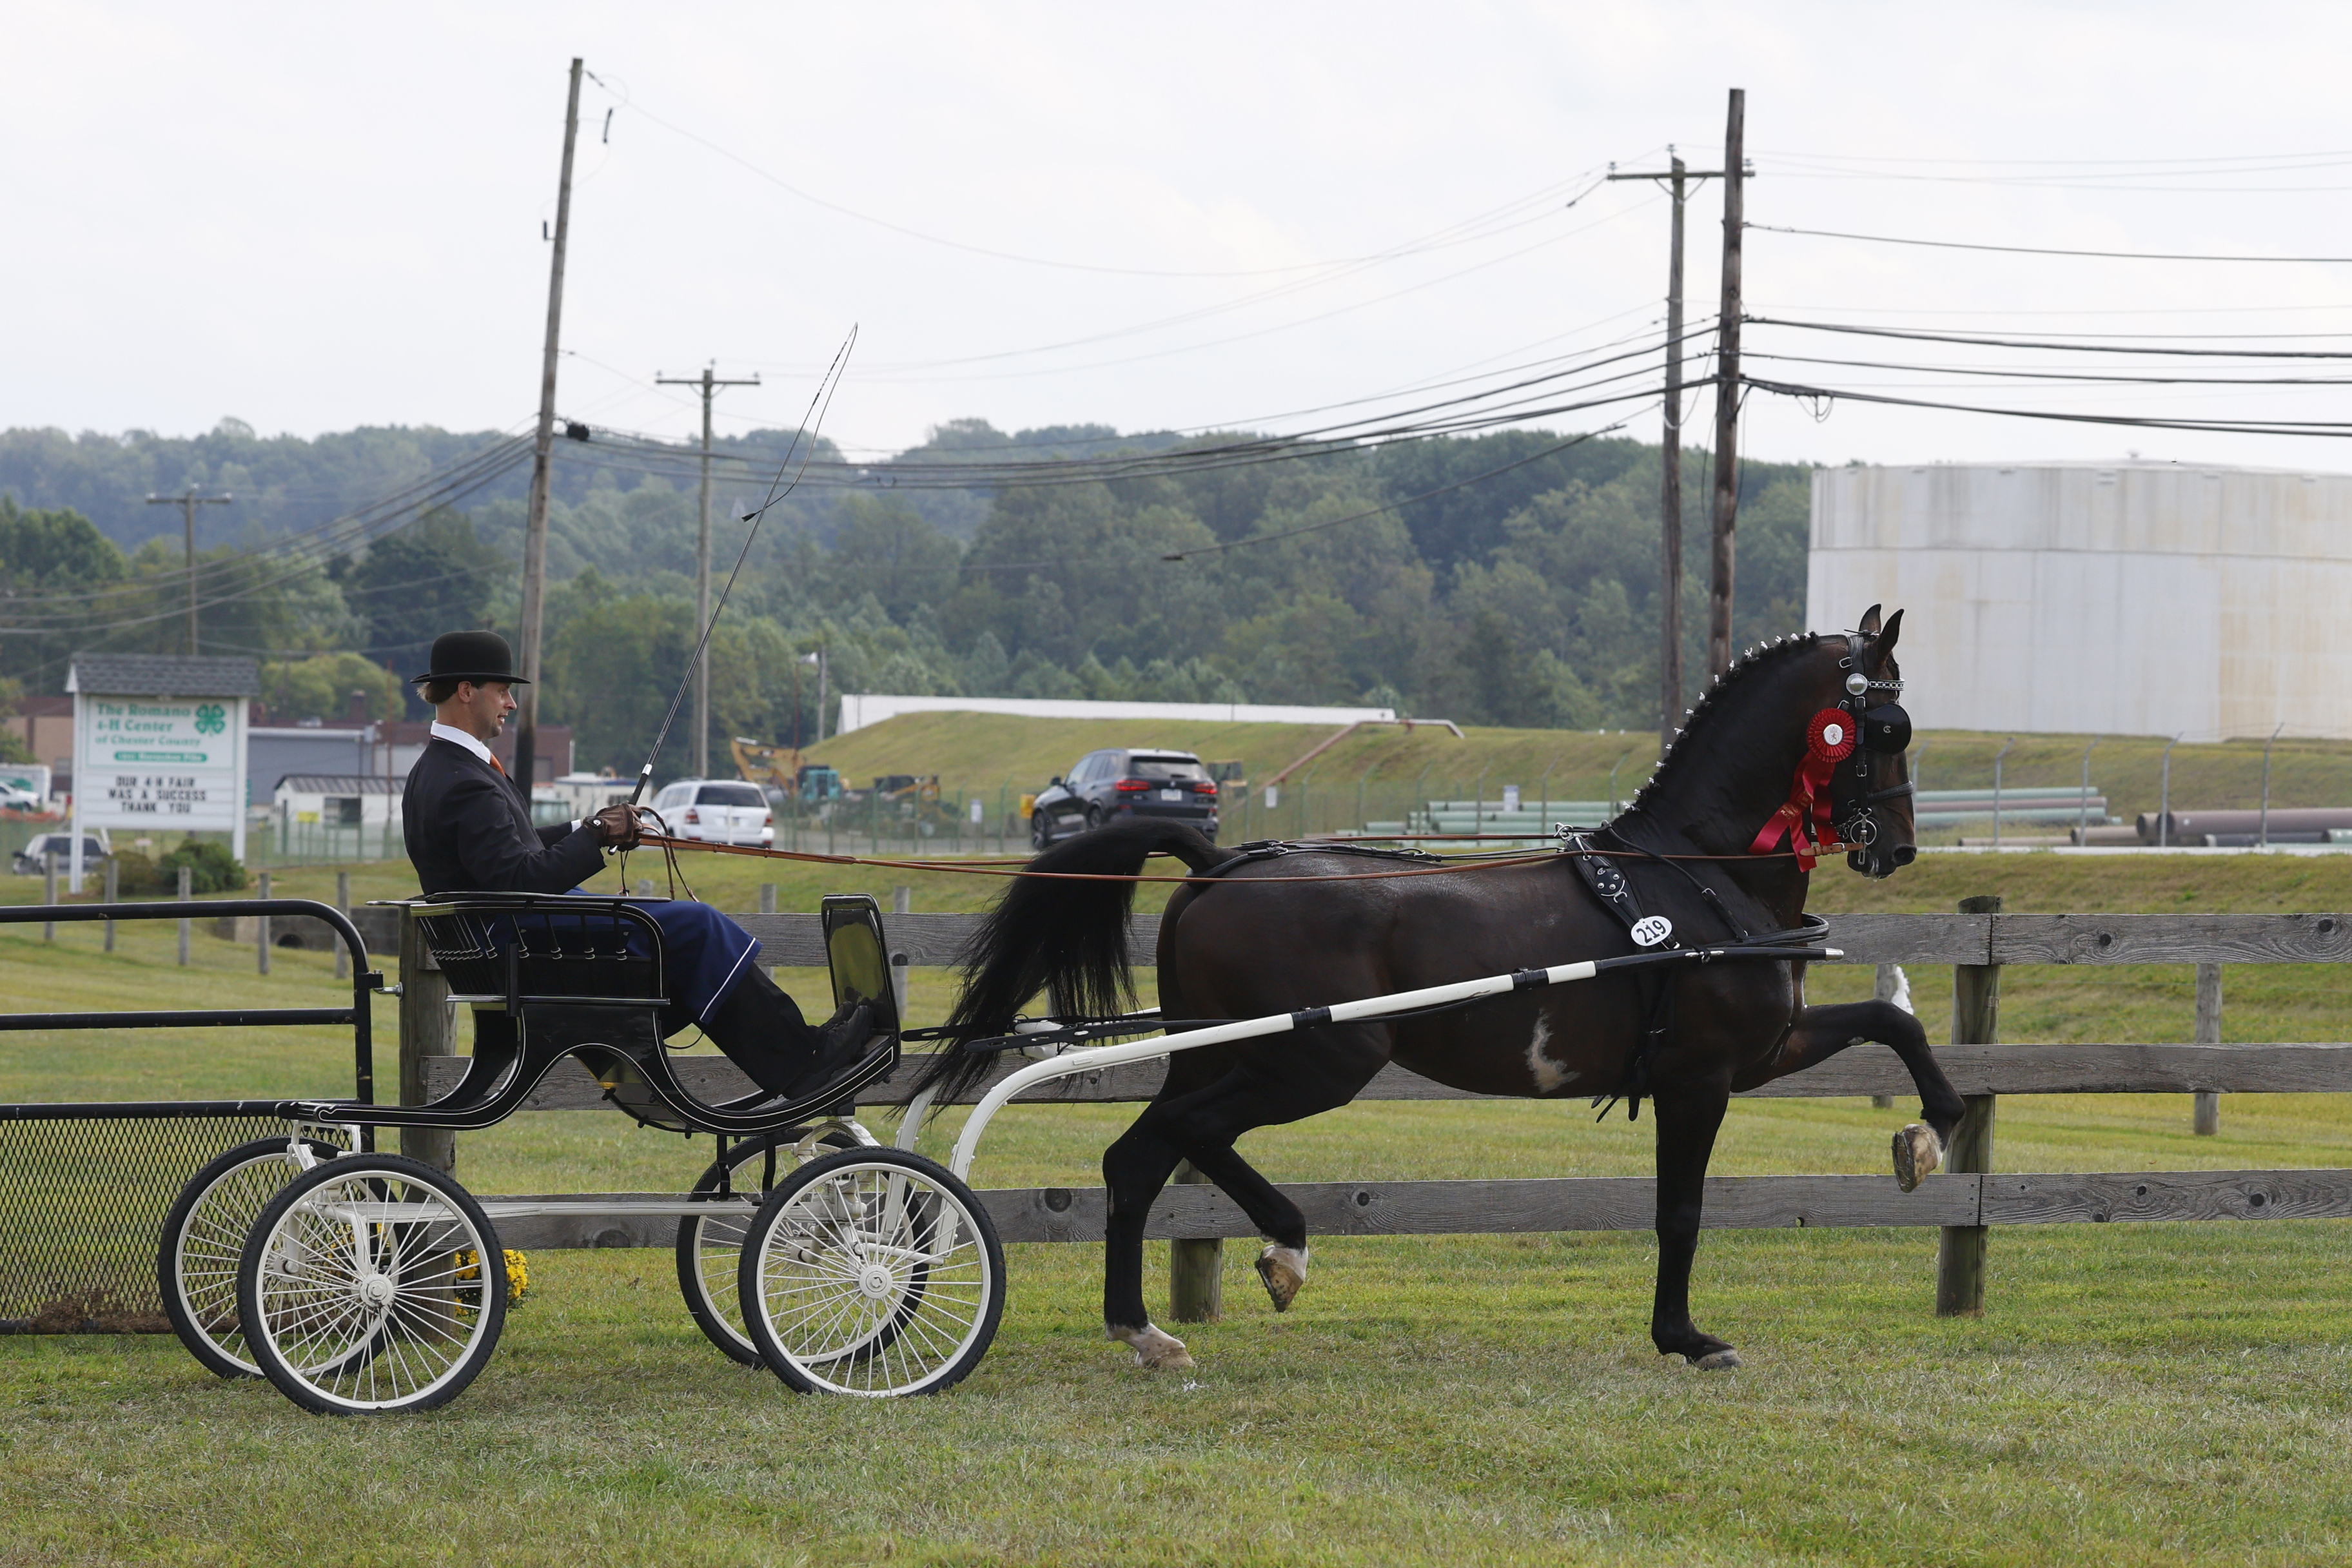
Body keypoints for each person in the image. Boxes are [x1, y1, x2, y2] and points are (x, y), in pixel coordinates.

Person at [399, 629, 875, 1099]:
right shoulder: (467, 781)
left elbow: (510, 851)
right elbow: (520, 878)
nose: (511, 704)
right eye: (502, 691)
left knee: (688, 934)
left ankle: (794, 1050)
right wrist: (598, 835)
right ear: (466, 692)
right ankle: (802, 1061)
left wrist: (584, 828)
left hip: (511, 940)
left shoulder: (440, 769)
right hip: (530, 947)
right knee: (699, 926)